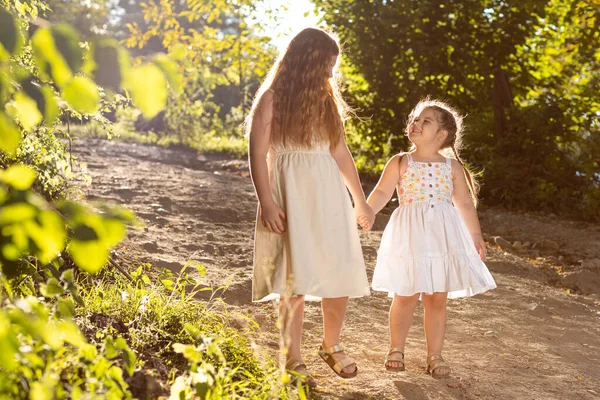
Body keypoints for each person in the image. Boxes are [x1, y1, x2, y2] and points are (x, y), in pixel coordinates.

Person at [246, 27, 373, 388]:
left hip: (329, 196)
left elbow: (339, 152)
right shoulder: (271, 100)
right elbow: (257, 154)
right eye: (326, 65)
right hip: (289, 196)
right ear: (306, 62)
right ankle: (292, 357)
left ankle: (330, 345)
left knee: (340, 271)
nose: (331, 74)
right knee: (294, 280)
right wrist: (266, 201)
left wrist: (359, 199)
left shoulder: (326, 102)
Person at [363, 97, 496, 378]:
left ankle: (434, 354)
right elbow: (382, 193)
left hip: (442, 238)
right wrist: (367, 212)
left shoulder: (452, 168)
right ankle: (396, 348)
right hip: (410, 236)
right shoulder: (401, 161)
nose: (416, 123)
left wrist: (475, 235)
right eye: (415, 119)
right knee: (406, 295)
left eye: (426, 121)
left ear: (442, 135)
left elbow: (464, 204)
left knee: (437, 298)